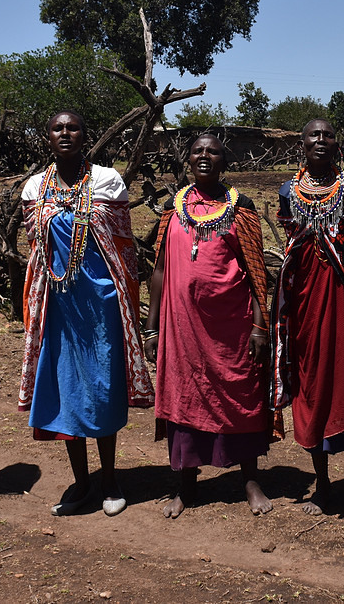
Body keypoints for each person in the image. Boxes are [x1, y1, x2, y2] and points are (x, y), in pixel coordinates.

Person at [18, 110, 153, 517]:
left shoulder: (107, 181)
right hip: (56, 305)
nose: (65, 133)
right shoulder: (33, 188)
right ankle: (82, 480)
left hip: (101, 304)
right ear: (47, 137)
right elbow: (35, 248)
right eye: (57, 127)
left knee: (102, 387)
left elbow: (124, 246)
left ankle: (110, 478)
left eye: (72, 127)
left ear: (84, 135)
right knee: (64, 389)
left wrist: (119, 295)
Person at [145, 134, 274, 518]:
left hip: (232, 329)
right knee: (183, 396)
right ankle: (185, 484)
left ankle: (250, 480)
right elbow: (160, 269)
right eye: (198, 150)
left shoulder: (242, 209)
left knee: (242, 396)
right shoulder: (173, 207)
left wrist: (259, 325)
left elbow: (256, 273)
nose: (204, 156)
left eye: (212, 151)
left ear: (224, 160)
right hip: (181, 327)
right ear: (188, 158)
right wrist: (151, 327)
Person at [271, 119, 344, 517]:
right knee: (312, 385)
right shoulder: (288, 191)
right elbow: (290, 247)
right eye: (313, 135)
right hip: (305, 304)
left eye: (328, 135)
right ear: (301, 142)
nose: (321, 140)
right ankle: (322, 485)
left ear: (338, 143)